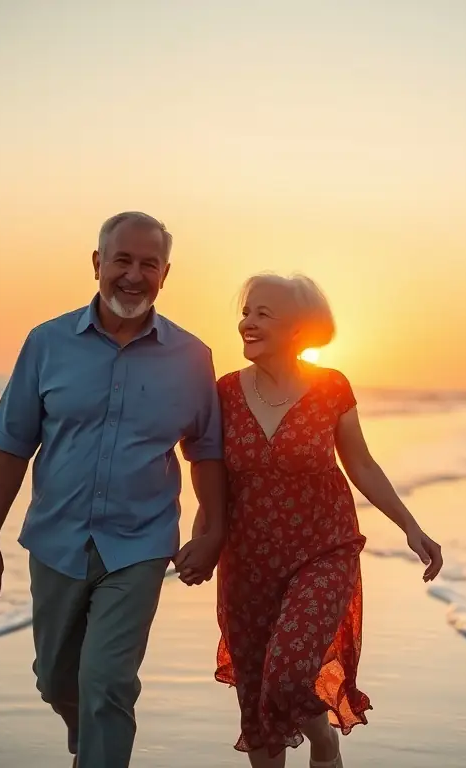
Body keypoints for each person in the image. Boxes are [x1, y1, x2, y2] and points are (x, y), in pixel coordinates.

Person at [0, 211, 227, 768]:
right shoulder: (46, 343)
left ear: (165, 274)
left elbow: (205, 451)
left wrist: (213, 530)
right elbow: (12, 446)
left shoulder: (193, 357)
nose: (134, 276)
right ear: (97, 264)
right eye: (122, 260)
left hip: (140, 544)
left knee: (107, 681)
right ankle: (94, 746)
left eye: (148, 264)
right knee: (57, 680)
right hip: (57, 540)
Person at [178, 273, 444, 768]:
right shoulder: (225, 393)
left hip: (323, 550)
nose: (247, 322)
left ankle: (324, 744)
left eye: (264, 313)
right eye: (246, 312)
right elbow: (211, 479)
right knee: (257, 706)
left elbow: (360, 463)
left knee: (289, 674)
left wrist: (411, 525)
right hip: (249, 562)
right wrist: (205, 541)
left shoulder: (330, 388)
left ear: (299, 330)